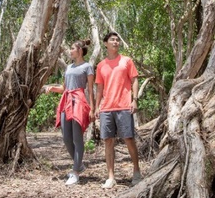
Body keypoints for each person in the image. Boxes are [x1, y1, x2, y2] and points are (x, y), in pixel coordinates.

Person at [44, 39, 95, 185]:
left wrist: (92, 108)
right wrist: (52, 88)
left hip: (79, 101)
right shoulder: (69, 67)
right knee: (66, 138)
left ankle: (76, 172)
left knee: (77, 138)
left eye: (72, 48)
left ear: (79, 50)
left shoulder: (87, 67)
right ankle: (78, 165)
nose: (70, 51)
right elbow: (64, 88)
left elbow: (90, 90)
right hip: (66, 101)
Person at [95, 32, 142, 189]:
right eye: (112, 40)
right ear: (106, 44)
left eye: (117, 40)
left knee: (128, 138)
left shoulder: (127, 61)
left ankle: (136, 172)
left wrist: (134, 100)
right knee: (108, 141)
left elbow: (134, 79)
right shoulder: (101, 65)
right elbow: (99, 88)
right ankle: (110, 177)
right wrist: (96, 107)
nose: (115, 42)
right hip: (106, 108)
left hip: (123, 106)